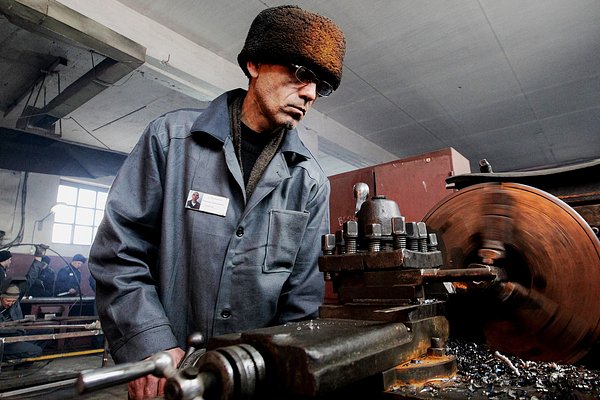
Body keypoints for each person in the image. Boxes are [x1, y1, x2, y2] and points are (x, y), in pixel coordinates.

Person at [89, 5, 345, 399]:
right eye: (301, 73)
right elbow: (119, 253)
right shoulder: (170, 140)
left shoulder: (309, 182)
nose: (310, 93)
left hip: (253, 384)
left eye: (321, 86)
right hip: (169, 378)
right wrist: (149, 342)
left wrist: (281, 374)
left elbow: (301, 298)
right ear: (254, 64)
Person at [0, 284, 44, 362]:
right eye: (8, 301)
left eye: (13, 301)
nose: (10, 304)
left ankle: (24, 356)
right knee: (36, 351)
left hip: (14, 334)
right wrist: (14, 329)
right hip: (4, 341)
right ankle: (6, 358)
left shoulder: (13, 305)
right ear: (1, 298)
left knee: (46, 331)